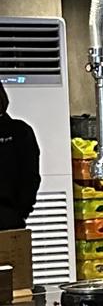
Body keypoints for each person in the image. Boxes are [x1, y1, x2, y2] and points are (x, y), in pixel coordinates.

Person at [0, 83, 39, 232]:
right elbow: (31, 177)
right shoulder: (21, 131)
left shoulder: (20, 132)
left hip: (10, 218)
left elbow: (30, 178)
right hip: (12, 219)